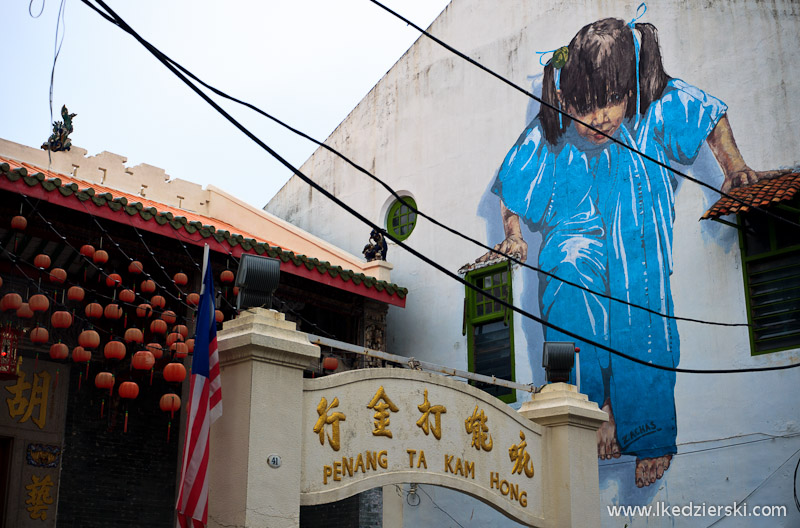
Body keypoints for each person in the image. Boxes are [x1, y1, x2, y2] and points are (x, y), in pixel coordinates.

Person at [480, 15, 785, 488]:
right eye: (585, 107)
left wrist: (734, 166)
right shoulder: (557, 129)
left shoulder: (656, 102)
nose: (597, 119)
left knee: (642, 322)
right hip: (573, 235)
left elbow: (707, 114)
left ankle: (647, 432)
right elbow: (514, 179)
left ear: (628, 88)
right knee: (565, 294)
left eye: (609, 103)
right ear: (565, 98)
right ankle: (588, 411)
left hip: (638, 238)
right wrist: (515, 234)